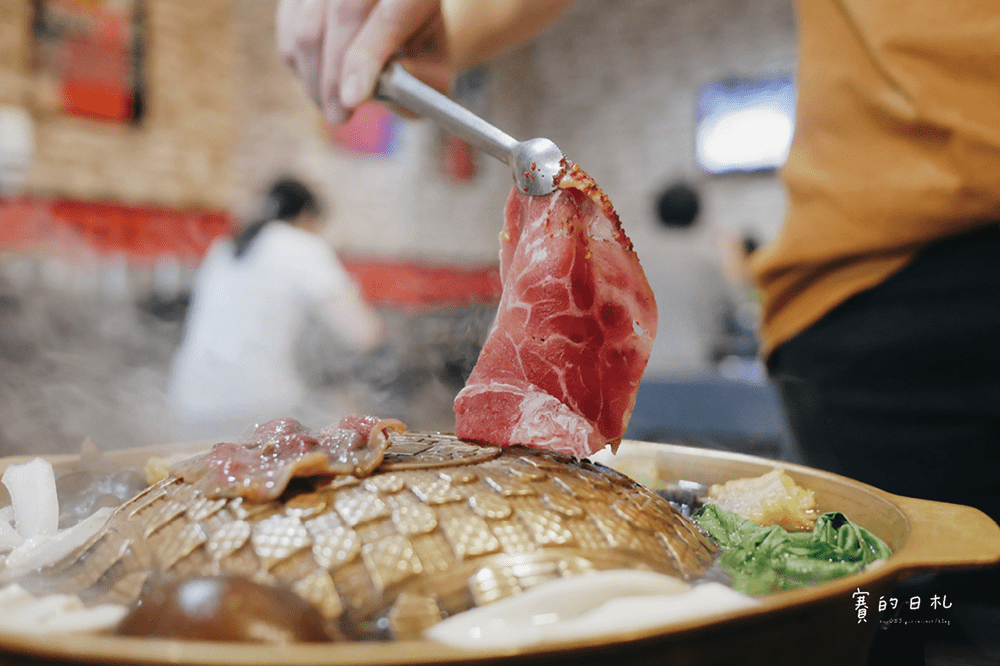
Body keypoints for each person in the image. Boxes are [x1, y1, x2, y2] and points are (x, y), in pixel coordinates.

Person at [168, 177, 383, 441]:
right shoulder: (302, 246)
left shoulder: (225, 247)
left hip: (190, 400)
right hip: (255, 404)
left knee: (205, 466)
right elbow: (365, 334)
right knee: (340, 420)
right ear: (307, 217)